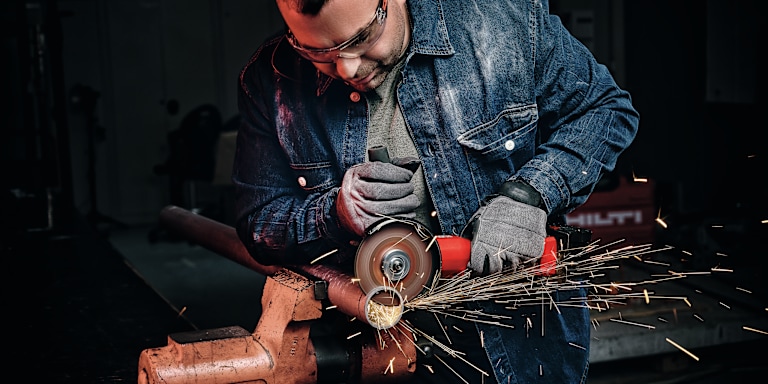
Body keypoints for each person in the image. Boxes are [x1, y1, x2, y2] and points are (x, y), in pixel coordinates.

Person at [233, 0, 639, 382]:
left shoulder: (501, 24)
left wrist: (531, 193)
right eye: (316, 51)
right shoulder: (270, 80)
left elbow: (605, 110)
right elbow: (258, 223)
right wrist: (334, 214)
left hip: (519, 344)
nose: (347, 67)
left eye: (360, 39)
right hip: (363, 351)